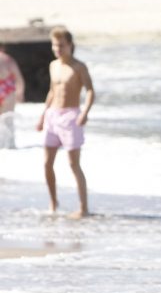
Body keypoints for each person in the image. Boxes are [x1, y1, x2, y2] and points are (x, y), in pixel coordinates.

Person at [36, 26, 94, 218]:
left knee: (73, 164)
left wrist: (84, 112)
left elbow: (90, 91)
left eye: (61, 45)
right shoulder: (54, 65)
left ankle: (83, 208)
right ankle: (53, 203)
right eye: (55, 45)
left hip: (71, 116)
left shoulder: (79, 66)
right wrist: (43, 115)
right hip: (53, 115)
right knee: (46, 163)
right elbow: (52, 92)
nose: (57, 49)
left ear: (70, 45)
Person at [0, 44, 26, 149]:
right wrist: (20, 92)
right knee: (8, 119)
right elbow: (19, 77)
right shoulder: (8, 59)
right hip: (7, 89)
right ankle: (10, 144)